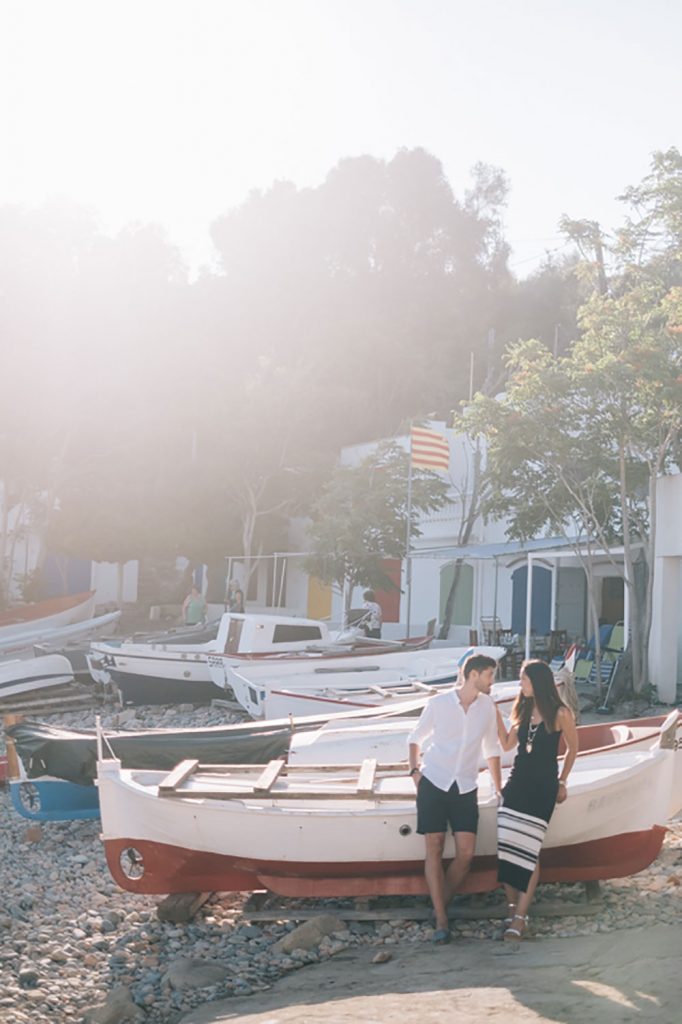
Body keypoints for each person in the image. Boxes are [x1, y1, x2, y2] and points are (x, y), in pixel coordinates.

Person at [407, 653, 503, 944]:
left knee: (465, 853)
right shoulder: (438, 704)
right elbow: (415, 738)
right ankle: (442, 918)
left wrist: (499, 789)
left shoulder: (487, 707)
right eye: (490, 675)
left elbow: (492, 748)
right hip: (434, 782)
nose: (492, 681)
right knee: (433, 847)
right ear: (473, 675)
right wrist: (414, 772)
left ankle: (439, 903)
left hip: (465, 786)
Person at [496, 659, 578, 941]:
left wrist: (563, 782)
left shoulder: (560, 712)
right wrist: (493, 713)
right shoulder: (523, 707)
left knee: (530, 849)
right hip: (516, 785)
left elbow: (572, 749)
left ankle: (520, 917)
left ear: (538, 682)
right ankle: (511, 908)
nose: (521, 684)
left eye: (524, 680)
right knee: (507, 846)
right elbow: (507, 744)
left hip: (543, 787)